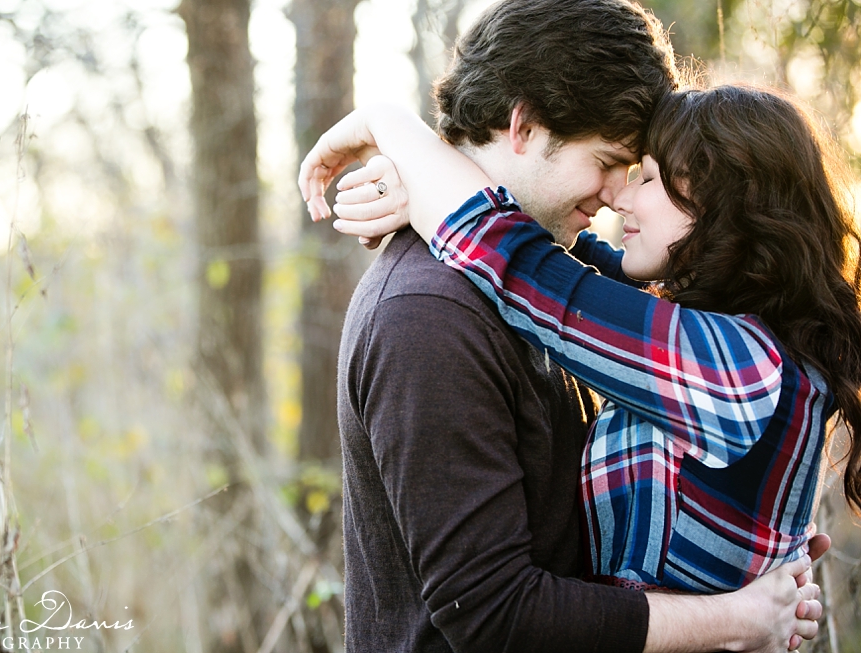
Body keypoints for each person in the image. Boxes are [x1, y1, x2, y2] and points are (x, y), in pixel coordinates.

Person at [299, 0, 824, 651]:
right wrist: (739, 615)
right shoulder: (428, 314)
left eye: (641, 175)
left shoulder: (569, 284)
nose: (617, 193)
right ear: (522, 126)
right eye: (608, 161)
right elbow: (494, 615)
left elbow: (521, 255)